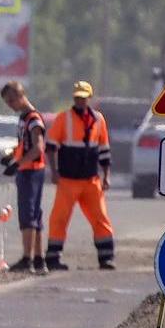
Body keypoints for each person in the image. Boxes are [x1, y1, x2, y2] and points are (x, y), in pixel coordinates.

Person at [44, 80, 116, 271]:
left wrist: (106, 176)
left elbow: (104, 150)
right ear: (74, 98)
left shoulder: (99, 120)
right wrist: (54, 171)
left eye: (84, 98)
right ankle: (53, 257)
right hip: (67, 181)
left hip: (91, 181)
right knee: (59, 218)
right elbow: (51, 147)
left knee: (101, 218)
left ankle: (106, 258)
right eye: (77, 98)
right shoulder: (63, 119)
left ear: (89, 98)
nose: (80, 101)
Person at [0, 81, 48, 274]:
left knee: (28, 215)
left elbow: (38, 148)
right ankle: (38, 258)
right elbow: (24, 145)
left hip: (31, 171)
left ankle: (27, 258)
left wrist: (18, 164)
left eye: (12, 100)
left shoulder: (33, 119)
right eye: (7, 102)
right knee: (34, 214)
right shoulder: (23, 119)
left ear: (21, 96)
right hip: (27, 169)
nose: (10, 104)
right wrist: (12, 156)